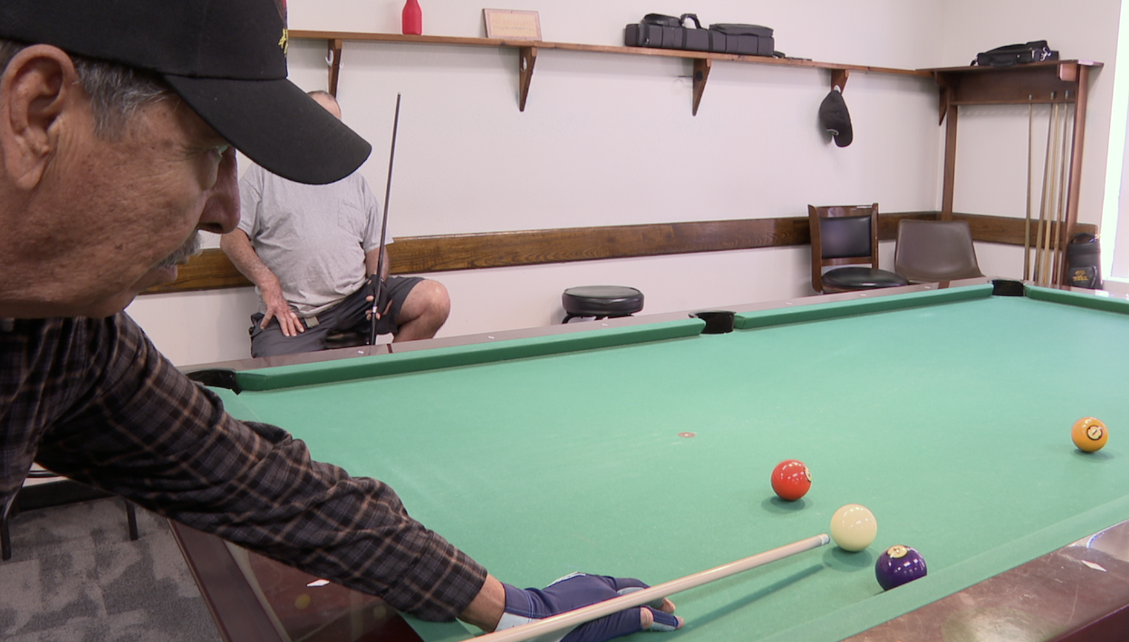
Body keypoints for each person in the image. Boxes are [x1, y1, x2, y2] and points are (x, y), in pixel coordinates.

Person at [0, 2, 682, 641]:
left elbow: (265, 487)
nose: (227, 211)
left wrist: (517, 610)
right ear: (38, 112)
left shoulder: (59, 336)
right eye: (209, 151)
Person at [222, 91, 450, 357]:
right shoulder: (264, 173)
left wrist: (379, 281)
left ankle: (382, 374)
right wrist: (267, 282)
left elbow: (375, 246)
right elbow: (230, 237)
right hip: (296, 318)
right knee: (274, 371)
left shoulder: (355, 180)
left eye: (336, 125)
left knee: (435, 299)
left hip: (355, 304)